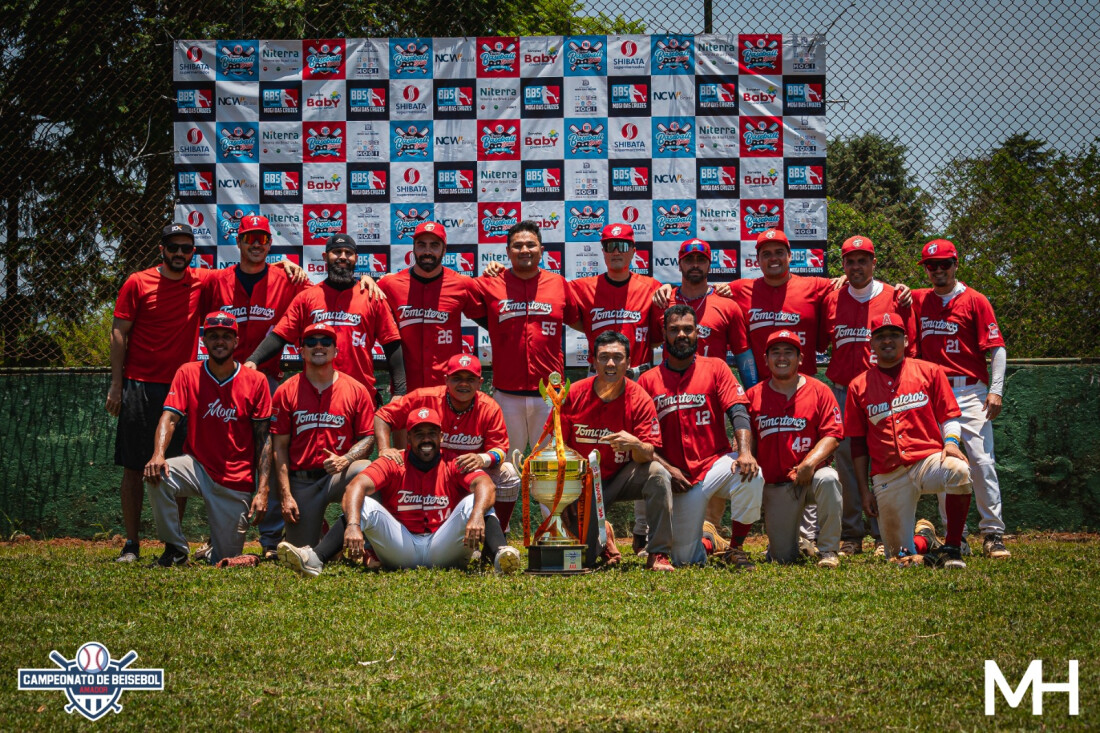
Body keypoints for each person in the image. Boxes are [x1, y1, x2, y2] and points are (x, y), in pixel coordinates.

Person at [277, 407, 519, 575]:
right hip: (401, 547)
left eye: (432, 433)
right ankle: (315, 559)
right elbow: (355, 486)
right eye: (419, 434)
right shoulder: (394, 461)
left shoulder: (454, 461)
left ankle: (501, 556)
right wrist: (353, 524)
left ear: (441, 436)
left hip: (444, 546)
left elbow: (486, 485)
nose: (426, 439)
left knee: (475, 501)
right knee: (363, 505)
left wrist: (476, 516)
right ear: (409, 437)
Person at [199, 214, 311, 558]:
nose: (256, 244)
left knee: (271, 455)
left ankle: (270, 539)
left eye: (262, 238)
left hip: (267, 380)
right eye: (249, 238)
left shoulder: (286, 278)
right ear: (238, 242)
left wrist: (365, 278)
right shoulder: (217, 280)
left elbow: (320, 298)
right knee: (223, 457)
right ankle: (217, 533)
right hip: (223, 381)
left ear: (270, 243)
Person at [106, 222, 210, 563]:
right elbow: (119, 333)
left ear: (193, 252)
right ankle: (131, 544)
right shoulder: (137, 282)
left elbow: (245, 273)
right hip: (138, 385)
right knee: (134, 468)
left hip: (181, 388)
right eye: (173, 247)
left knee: (175, 467)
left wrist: (285, 265)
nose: (180, 253)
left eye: (186, 248)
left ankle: (173, 544)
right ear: (161, 249)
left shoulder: (202, 281)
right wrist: (117, 385)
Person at [649, 237, 759, 542]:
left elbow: (744, 355)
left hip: (713, 391)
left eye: (701, 259)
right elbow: (647, 345)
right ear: (680, 263)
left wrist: (752, 396)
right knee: (661, 455)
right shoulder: (663, 301)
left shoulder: (727, 304)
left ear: (710, 264)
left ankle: (713, 528)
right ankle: (648, 532)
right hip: (670, 389)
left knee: (716, 455)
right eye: (689, 259)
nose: (695, 265)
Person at [638, 305, 765, 568]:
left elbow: (738, 410)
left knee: (751, 474)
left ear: (697, 332)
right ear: (664, 333)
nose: (681, 335)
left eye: (688, 329)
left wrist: (745, 452)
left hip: (715, 464)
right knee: (684, 558)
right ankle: (710, 540)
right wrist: (667, 470)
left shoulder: (716, 367)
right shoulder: (648, 380)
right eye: (674, 329)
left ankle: (736, 547)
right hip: (678, 476)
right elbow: (642, 441)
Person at [142, 312, 272, 565]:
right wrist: (158, 454)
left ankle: (212, 550)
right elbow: (170, 417)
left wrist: (263, 489)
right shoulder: (188, 372)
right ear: (204, 341)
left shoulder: (256, 381)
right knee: (158, 475)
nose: (219, 341)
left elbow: (264, 440)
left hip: (235, 479)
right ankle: (176, 550)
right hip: (197, 466)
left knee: (225, 560)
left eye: (226, 336)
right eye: (213, 336)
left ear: (236, 341)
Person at [844, 312, 973, 568]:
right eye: (880, 336)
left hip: (927, 461)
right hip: (888, 473)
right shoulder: (858, 386)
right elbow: (857, 444)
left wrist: (951, 443)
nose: (887, 341)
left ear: (905, 340)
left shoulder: (930, 371)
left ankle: (952, 547)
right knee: (899, 557)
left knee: (958, 470)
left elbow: (949, 416)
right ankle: (925, 540)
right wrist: (864, 491)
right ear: (871, 343)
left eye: (894, 335)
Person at [913, 239, 1011, 559]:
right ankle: (957, 536)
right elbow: (883, 295)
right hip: (935, 393)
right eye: (932, 265)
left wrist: (996, 389)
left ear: (956, 265)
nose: (938, 270)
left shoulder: (974, 300)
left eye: (945, 264)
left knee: (982, 462)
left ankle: (993, 533)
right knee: (947, 463)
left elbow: (996, 348)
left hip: (971, 391)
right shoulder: (920, 299)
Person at [819, 235, 916, 558]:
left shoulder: (894, 296)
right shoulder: (832, 298)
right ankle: (851, 534)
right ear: (843, 265)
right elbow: (821, 341)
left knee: (884, 459)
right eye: (850, 261)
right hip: (842, 391)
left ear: (874, 263)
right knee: (846, 463)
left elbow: (910, 345)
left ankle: (882, 533)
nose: (856, 266)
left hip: (882, 389)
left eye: (863, 260)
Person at [557, 331, 674, 571]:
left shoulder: (639, 398)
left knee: (658, 473)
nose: (611, 363)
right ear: (593, 361)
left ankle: (658, 553)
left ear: (628, 362)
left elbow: (647, 454)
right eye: (604, 357)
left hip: (622, 477)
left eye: (618, 357)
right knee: (584, 560)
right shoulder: (572, 394)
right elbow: (558, 447)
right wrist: (568, 492)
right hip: (583, 481)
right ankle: (604, 537)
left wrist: (635, 444)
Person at [247, 233, 406, 406]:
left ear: (356, 258)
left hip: (360, 394)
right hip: (315, 395)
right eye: (337, 252)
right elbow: (280, 335)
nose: (343, 257)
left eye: (348, 253)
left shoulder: (372, 297)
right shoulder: (307, 297)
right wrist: (253, 360)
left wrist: (400, 391)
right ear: (325, 257)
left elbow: (391, 343)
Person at [466, 221, 578, 458]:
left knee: (550, 465)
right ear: (507, 252)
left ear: (541, 250)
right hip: (507, 396)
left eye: (530, 245)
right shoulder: (489, 283)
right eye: (517, 246)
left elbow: (576, 319)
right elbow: (452, 287)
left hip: (550, 396)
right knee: (504, 464)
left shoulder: (558, 283)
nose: (524, 250)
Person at [374, 354, 521, 530]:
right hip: (423, 472)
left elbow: (500, 450)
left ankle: (498, 533)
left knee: (508, 473)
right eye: (457, 378)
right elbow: (383, 416)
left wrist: (482, 458)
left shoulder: (489, 408)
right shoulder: (424, 397)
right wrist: (384, 449)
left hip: (466, 473)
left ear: (480, 382)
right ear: (446, 380)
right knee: (381, 470)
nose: (463, 384)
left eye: (470, 379)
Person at [270, 322, 375, 549]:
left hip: (338, 474)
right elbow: (279, 447)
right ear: (301, 351)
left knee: (368, 471)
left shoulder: (356, 389)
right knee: (302, 551)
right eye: (311, 342)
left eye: (326, 342)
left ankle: (362, 545)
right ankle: (324, 538)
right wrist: (286, 495)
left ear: (336, 351)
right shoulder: (286, 391)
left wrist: (346, 459)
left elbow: (368, 438)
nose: (319, 346)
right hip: (302, 481)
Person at [746, 330, 844, 567]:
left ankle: (828, 550)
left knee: (829, 478)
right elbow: (747, 441)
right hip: (777, 484)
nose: (782, 357)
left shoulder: (819, 390)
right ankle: (795, 542)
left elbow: (833, 434)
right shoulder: (753, 395)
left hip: (811, 477)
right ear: (766, 359)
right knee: (782, 558)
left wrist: (809, 463)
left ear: (800, 358)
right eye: (775, 352)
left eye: (789, 352)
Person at [376, 222, 477, 392]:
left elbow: (492, 316)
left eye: (434, 245)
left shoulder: (462, 284)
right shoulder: (389, 285)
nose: (427, 251)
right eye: (421, 245)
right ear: (413, 249)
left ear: (444, 250)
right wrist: (366, 279)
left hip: (447, 389)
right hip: (406, 390)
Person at [568, 223, 661, 376]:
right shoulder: (582, 287)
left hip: (638, 375)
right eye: (610, 246)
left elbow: (658, 337)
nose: (616, 252)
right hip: (599, 375)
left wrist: (668, 287)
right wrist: (589, 327)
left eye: (622, 246)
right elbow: (558, 301)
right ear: (603, 251)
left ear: (633, 251)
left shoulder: (652, 287)